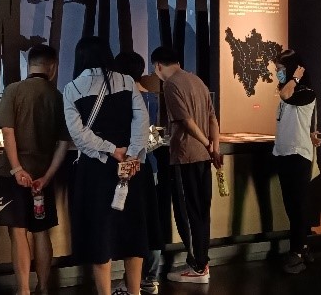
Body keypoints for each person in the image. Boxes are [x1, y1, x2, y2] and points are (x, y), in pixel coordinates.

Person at [64, 37, 150, 295]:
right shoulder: (126, 81)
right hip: (130, 168)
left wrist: (112, 150)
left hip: (96, 169)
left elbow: (78, 134)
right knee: (132, 230)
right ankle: (134, 292)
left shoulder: (72, 88)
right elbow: (141, 121)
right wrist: (132, 155)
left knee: (100, 231)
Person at [0, 44, 71, 295]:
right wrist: (47, 176)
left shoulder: (13, 90)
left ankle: (23, 290)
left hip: (12, 175)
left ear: (29, 64)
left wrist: (16, 169)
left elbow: (7, 131)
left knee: (18, 232)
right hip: (42, 175)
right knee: (41, 231)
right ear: (53, 67)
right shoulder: (58, 97)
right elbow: (63, 142)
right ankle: (44, 288)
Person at [151, 46, 219, 284]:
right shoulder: (197, 81)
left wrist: (206, 144)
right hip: (203, 157)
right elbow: (212, 118)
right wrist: (214, 148)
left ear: (158, 66)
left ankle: (198, 267)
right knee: (201, 211)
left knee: (187, 213)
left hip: (184, 156)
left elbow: (187, 122)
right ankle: (202, 262)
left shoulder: (170, 85)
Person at [113, 51, 164, 295]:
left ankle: (134, 281)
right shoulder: (151, 97)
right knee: (149, 220)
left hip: (131, 165)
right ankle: (150, 277)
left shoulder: (126, 98)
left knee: (134, 225)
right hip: (150, 164)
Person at [271, 49, 321, 274]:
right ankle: (303, 246)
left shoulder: (306, 92)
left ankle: (297, 254)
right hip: (283, 153)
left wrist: (295, 78)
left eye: (281, 69)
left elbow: (285, 95)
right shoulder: (289, 91)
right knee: (291, 206)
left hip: (298, 155)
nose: (278, 73)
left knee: (299, 205)